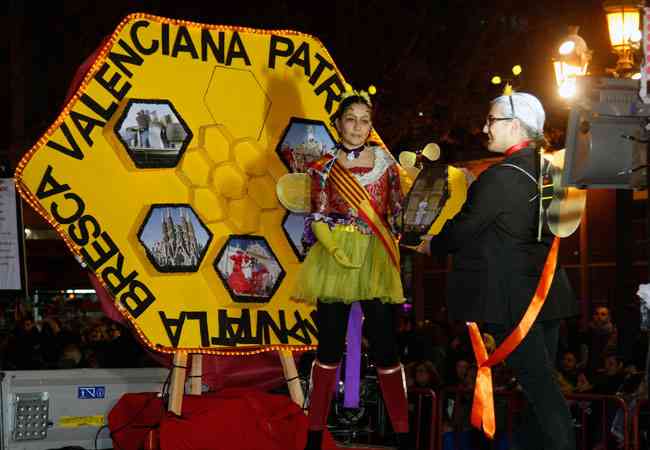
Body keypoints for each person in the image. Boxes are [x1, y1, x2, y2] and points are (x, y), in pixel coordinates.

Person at [416, 92, 578, 450]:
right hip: (549, 297)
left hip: (515, 303)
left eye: (491, 120)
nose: (484, 127)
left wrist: (430, 245)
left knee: (542, 393)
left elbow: (462, 231)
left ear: (515, 125)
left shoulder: (500, 177)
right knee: (539, 393)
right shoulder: (550, 171)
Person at [292, 89, 408, 450]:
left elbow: (397, 214)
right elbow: (317, 216)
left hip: (376, 259)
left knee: (386, 348)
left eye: (364, 120)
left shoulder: (387, 164)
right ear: (338, 124)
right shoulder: (323, 167)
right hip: (335, 259)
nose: (357, 127)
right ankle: (314, 435)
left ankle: (403, 434)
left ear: (370, 125)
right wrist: (334, 248)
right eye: (351, 119)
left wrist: (416, 221)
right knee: (328, 349)